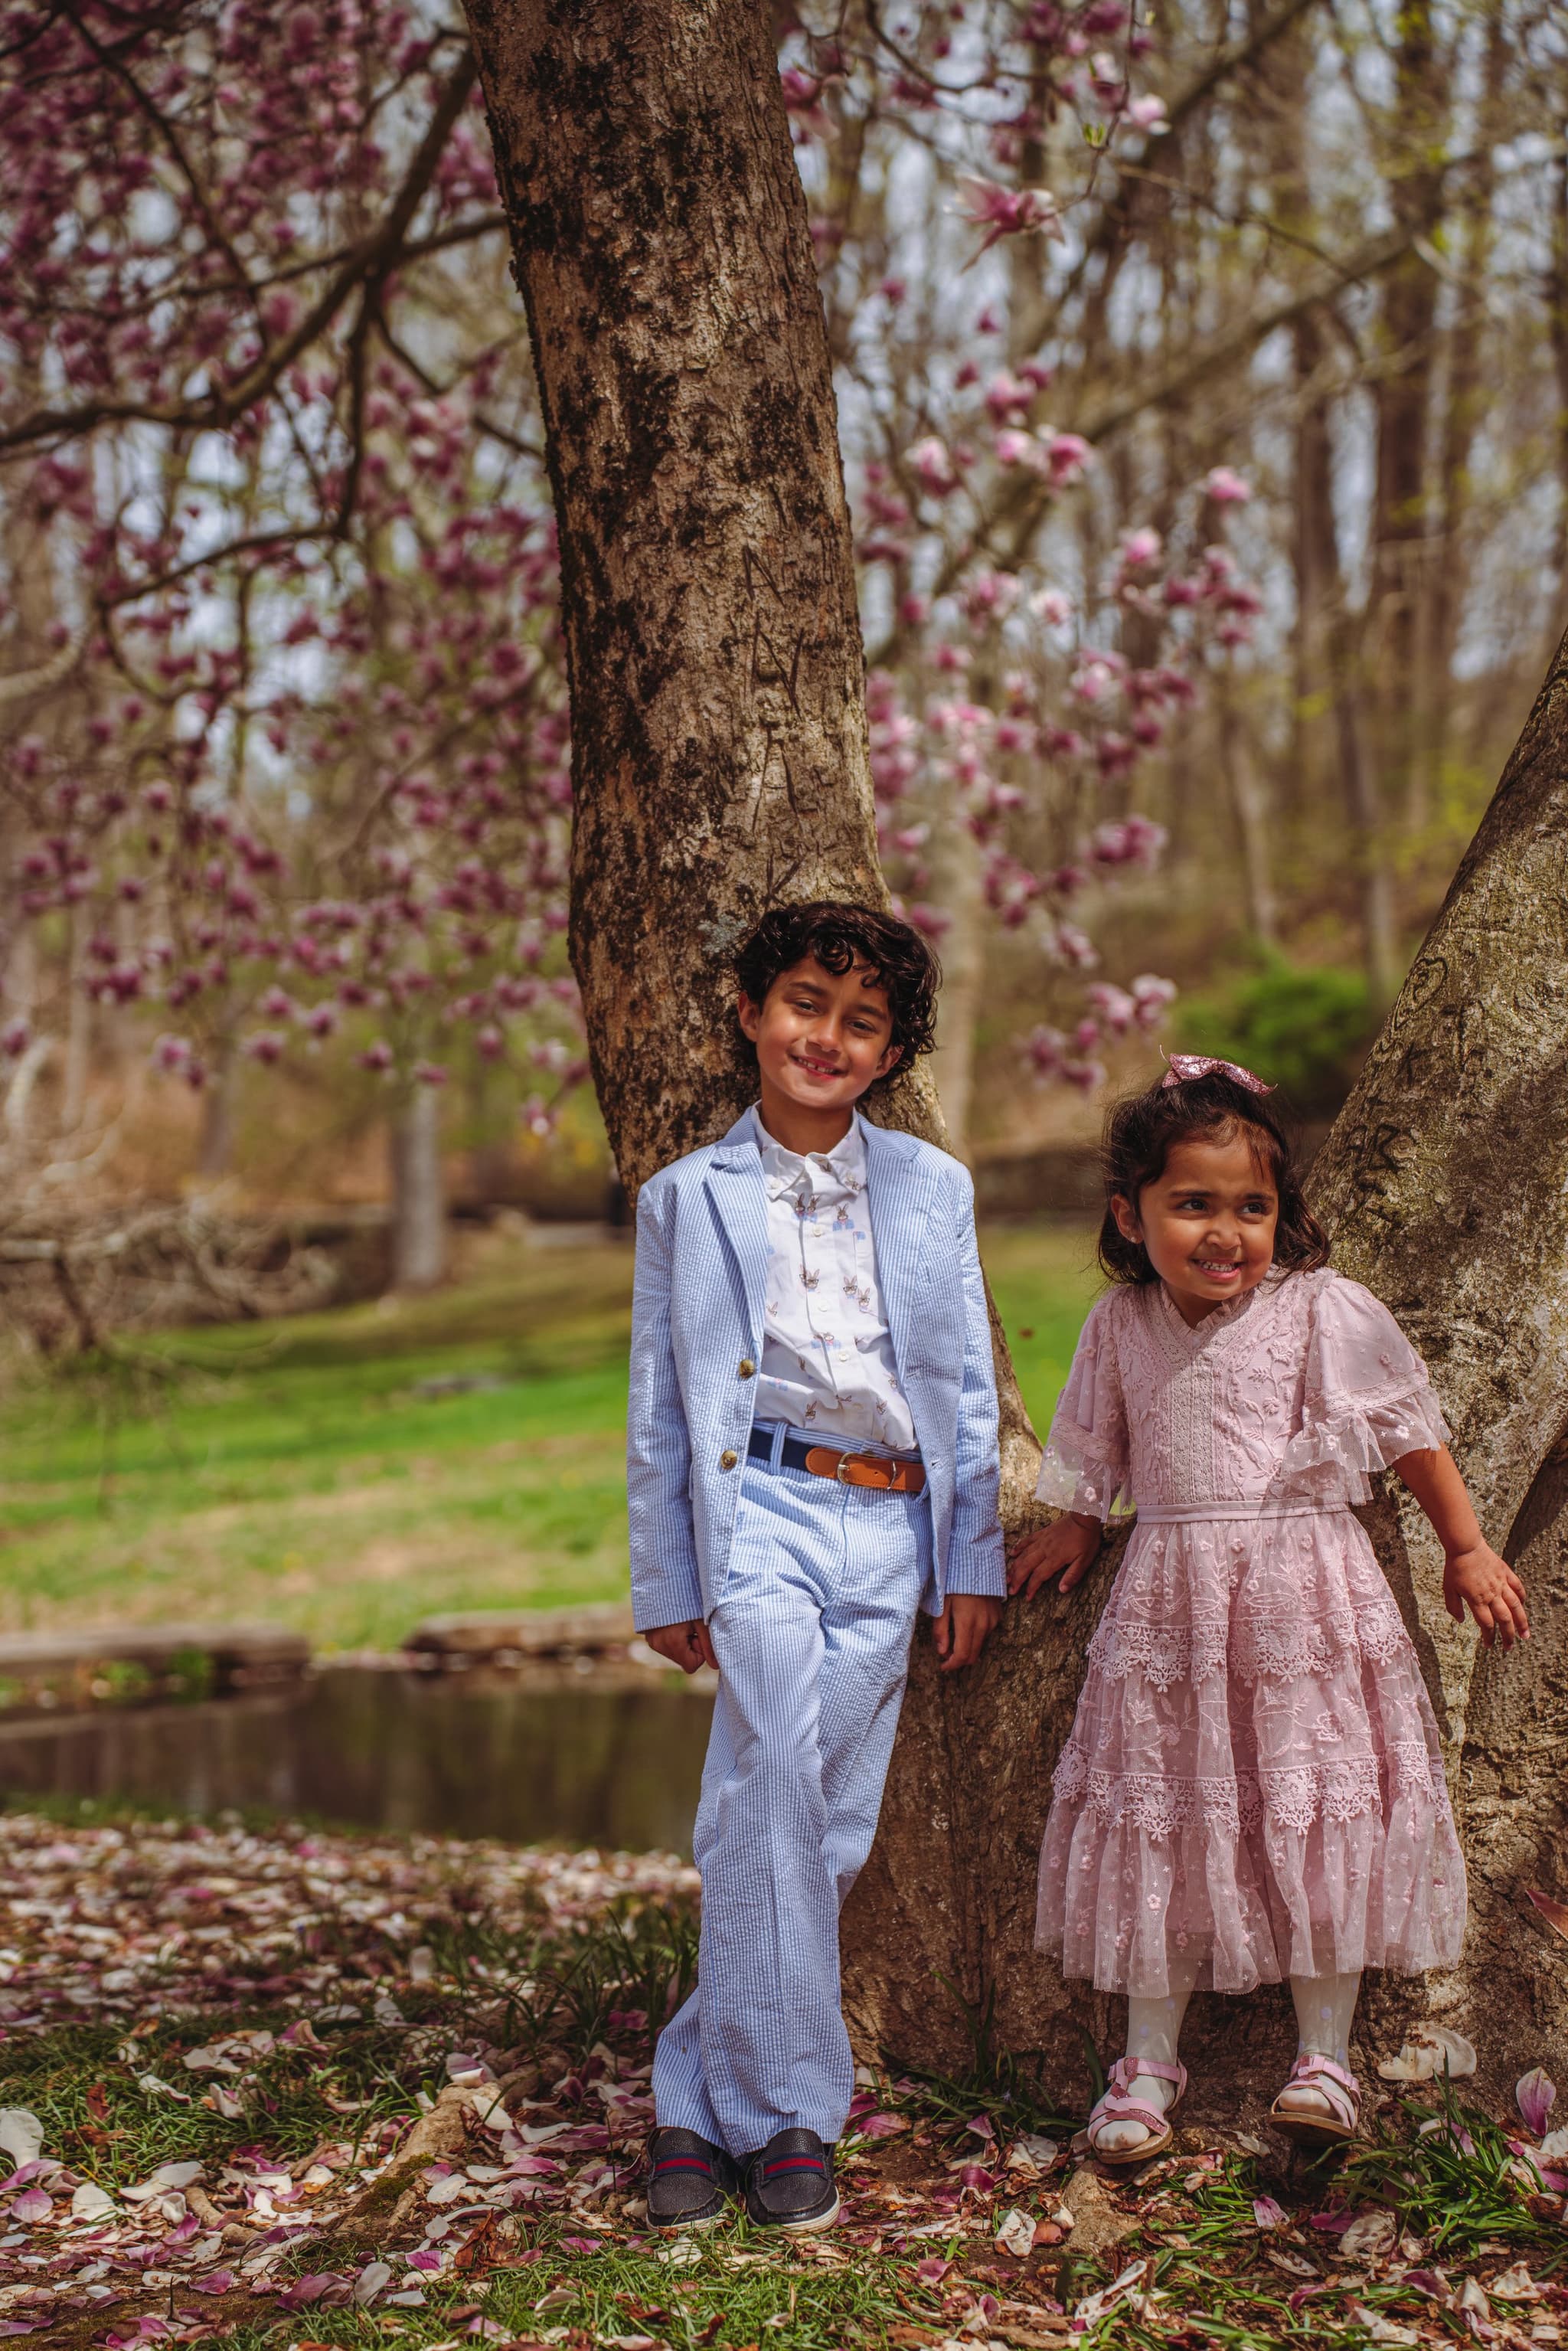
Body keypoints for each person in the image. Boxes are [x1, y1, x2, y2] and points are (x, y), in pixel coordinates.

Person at [1008, 1056, 1527, 2160]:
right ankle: (1148, 2060)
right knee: (1168, 1809)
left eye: (1253, 1206)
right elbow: (1094, 1442)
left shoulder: (1318, 1308)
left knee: (1312, 1800)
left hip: (1305, 1603)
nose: (1225, 1232)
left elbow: (1407, 1431)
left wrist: (1467, 1544)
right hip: (1174, 1605)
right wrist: (1078, 1518)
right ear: (1129, 1213)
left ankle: (1324, 2058)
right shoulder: (1121, 1322)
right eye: (1192, 1204)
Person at [630, 901, 1005, 2231]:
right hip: (763, 1514)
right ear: (751, 1010)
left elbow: (960, 1389)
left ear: (891, 1047)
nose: (826, 1036)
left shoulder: (931, 1188)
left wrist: (971, 1557)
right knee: (776, 1762)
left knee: (807, 1817)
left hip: (893, 1526)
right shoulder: (684, 1198)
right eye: (803, 1002)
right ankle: (788, 2112)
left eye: (861, 1020)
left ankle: (690, 2097)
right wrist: (669, 1575)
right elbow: (662, 1407)